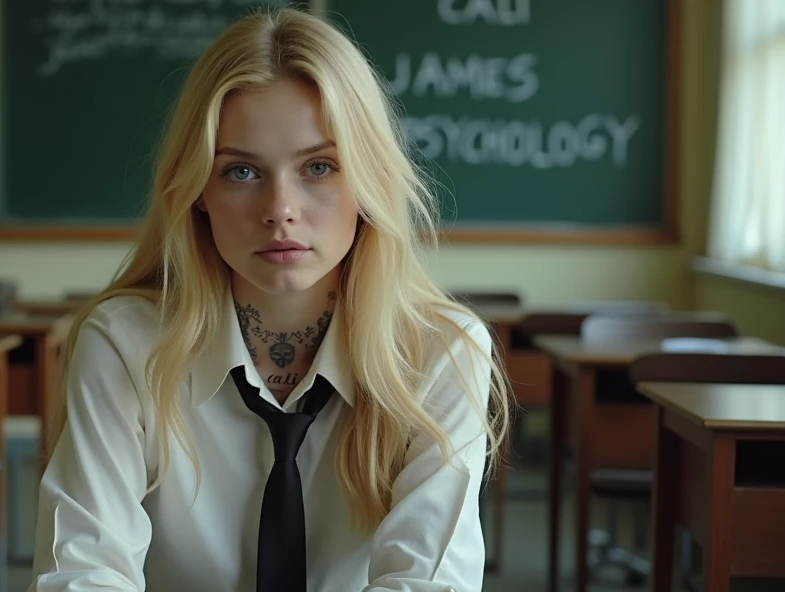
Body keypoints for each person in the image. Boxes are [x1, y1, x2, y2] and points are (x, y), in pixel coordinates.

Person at [28, 7, 512, 592]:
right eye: (240, 172)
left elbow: (430, 583)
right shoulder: (125, 344)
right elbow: (81, 571)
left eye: (318, 166)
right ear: (198, 189)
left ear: (369, 181)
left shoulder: (442, 351)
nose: (280, 208)